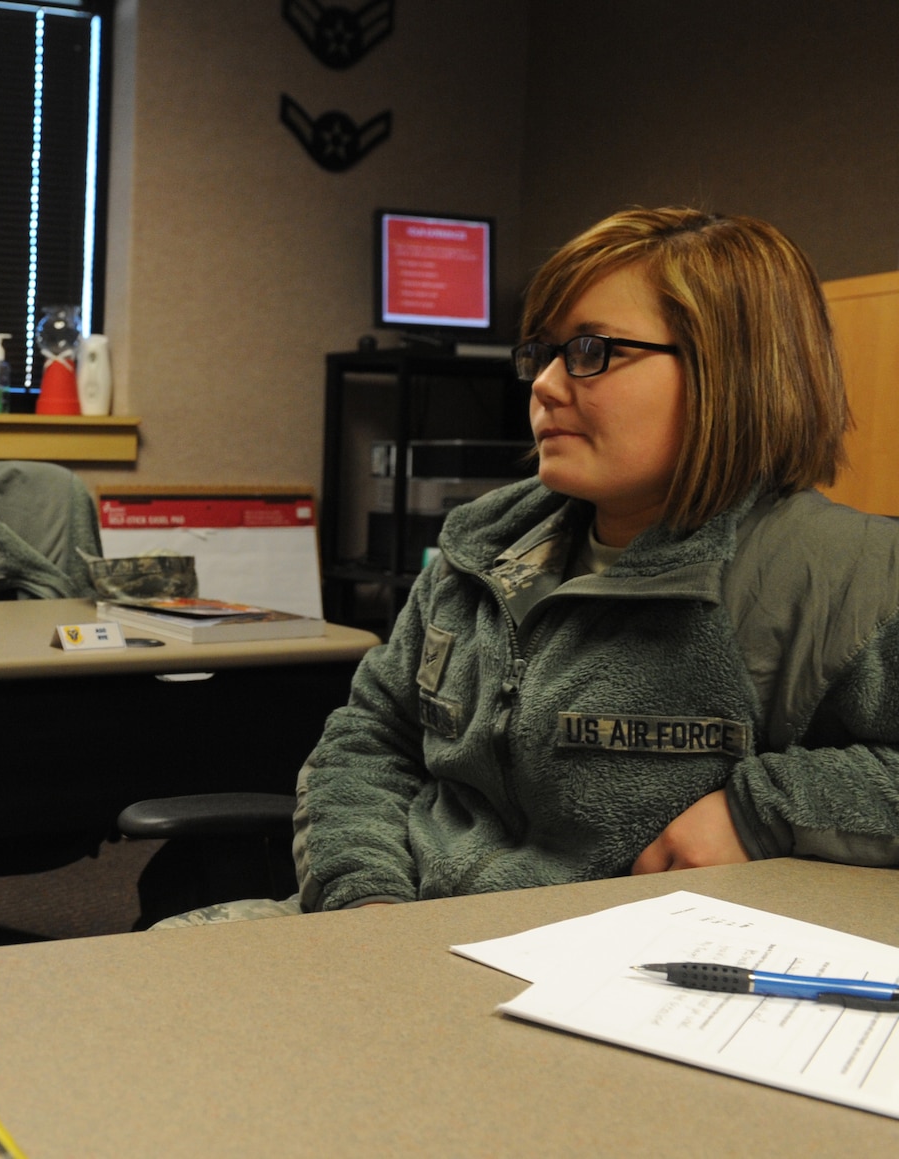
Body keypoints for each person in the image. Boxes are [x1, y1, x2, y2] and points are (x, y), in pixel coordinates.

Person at [160, 206, 899, 928]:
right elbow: (372, 736)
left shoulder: (844, 573)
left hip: (601, 981)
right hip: (399, 930)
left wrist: (758, 808)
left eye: (590, 351)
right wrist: (365, 901)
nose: (543, 385)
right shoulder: (482, 544)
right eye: (541, 354)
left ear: (729, 372)